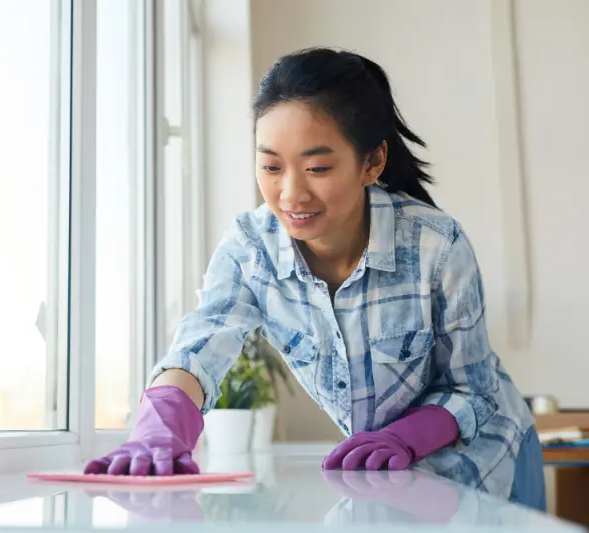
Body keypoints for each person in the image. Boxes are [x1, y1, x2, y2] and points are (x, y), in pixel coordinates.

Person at [84, 47, 545, 510]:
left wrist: (407, 436)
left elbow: (474, 388)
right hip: (392, 476)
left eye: (317, 168)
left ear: (372, 162)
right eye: (270, 166)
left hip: (493, 460)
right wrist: (159, 430)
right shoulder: (252, 248)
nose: (290, 193)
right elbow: (200, 348)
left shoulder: (436, 245)